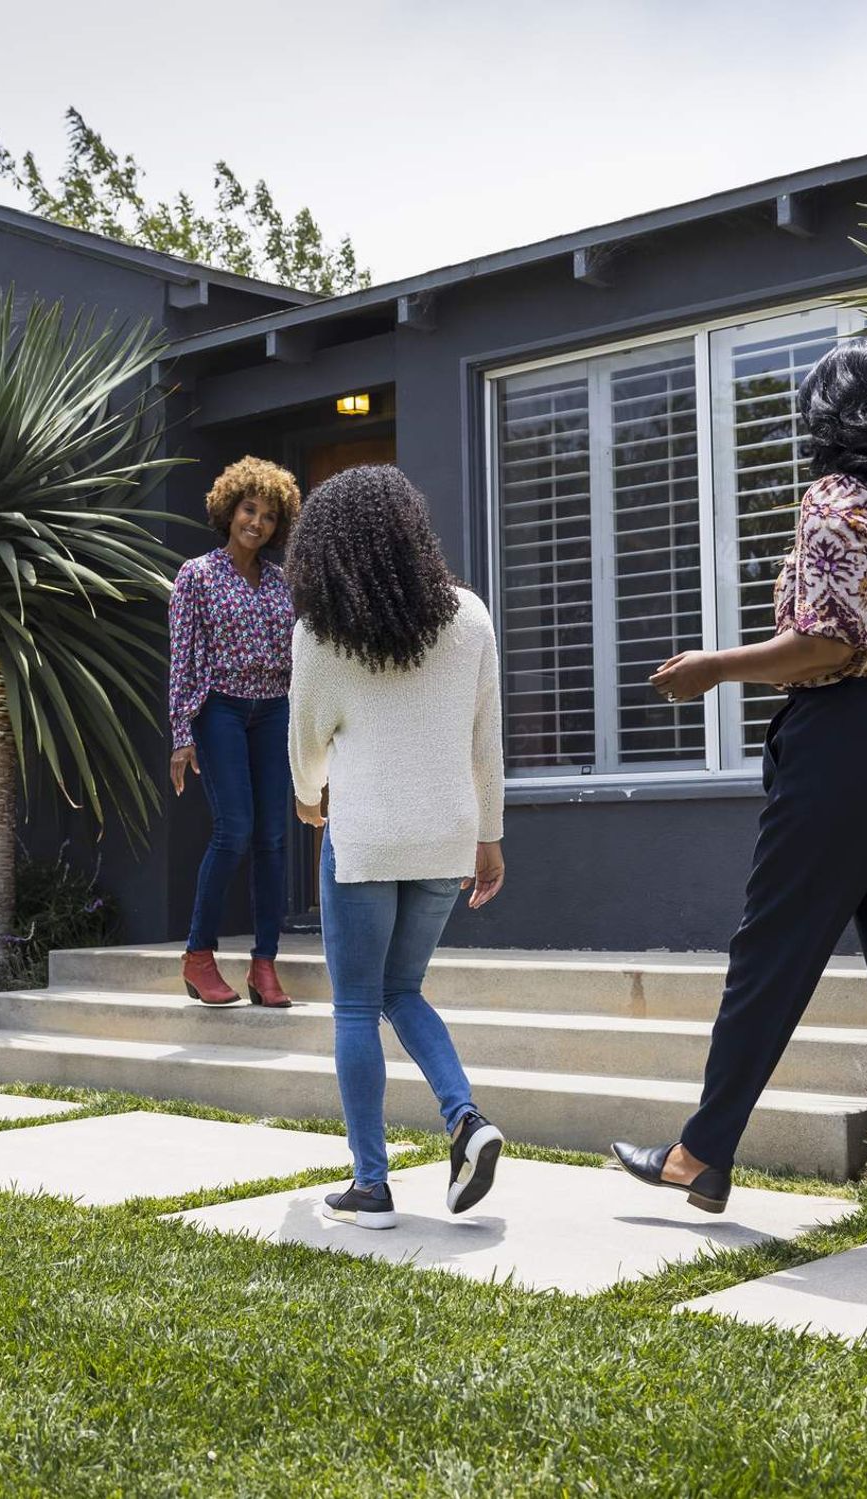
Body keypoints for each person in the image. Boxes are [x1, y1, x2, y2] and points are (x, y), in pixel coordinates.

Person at [610, 337, 867, 1266]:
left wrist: (714, 669)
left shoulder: (836, 500)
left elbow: (828, 644)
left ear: (834, 418)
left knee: (774, 955)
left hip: (848, 746)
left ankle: (699, 1155)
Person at [286, 464, 508, 1230]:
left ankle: (371, 1185)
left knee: (355, 1004)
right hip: (446, 835)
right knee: (402, 990)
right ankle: (465, 1117)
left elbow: (305, 742)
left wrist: (310, 800)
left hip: (367, 839)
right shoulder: (471, 616)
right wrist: (490, 836)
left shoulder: (321, 633)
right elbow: (487, 744)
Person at [169, 456, 301, 1008]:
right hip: (219, 707)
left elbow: (298, 655)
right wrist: (182, 731)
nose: (258, 523)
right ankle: (199, 956)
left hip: (273, 709)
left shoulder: (281, 580)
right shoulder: (197, 575)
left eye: (270, 516)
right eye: (250, 509)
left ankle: (264, 965)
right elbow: (183, 655)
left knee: (274, 837)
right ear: (230, 509)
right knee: (236, 830)